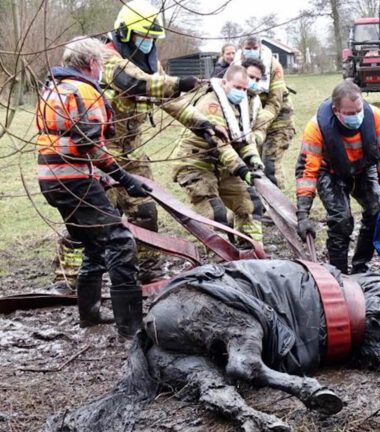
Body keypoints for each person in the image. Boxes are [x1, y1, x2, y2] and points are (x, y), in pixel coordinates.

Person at [101, 0, 229, 283]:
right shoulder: (106, 59)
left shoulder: (149, 63)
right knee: (95, 218)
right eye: (142, 37)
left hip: (132, 153)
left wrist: (201, 123)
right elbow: (136, 84)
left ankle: (148, 270)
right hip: (99, 153)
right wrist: (178, 82)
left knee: (145, 210)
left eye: (151, 39)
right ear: (124, 33)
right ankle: (71, 276)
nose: (147, 43)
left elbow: (171, 100)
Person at [36, 37, 151, 338]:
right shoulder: (85, 90)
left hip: (52, 178)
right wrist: (124, 178)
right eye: (100, 63)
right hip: (73, 180)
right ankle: (132, 327)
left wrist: (101, 176)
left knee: (93, 244)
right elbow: (89, 144)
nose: (101, 68)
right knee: (120, 241)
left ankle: (89, 315)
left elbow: (65, 141)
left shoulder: (55, 88)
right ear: (91, 64)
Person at [295, 80, 380, 274]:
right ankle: (338, 273)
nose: (356, 117)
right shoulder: (315, 129)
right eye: (350, 114)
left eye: (359, 110)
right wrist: (303, 215)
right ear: (336, 110)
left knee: (376, 212)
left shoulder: (376, 118)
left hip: (362, 166)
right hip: (330, 171)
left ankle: (360, 267)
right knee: (341, 220)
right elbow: (307, 172)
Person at [171, 65, 265, 246]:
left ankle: (252, 250)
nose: (241, 92)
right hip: (195, 164)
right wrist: (242, 169)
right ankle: (222, 262)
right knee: (216, 215)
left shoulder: (239, 107)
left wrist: (252, 157)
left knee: (250, 204)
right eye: (237, 88)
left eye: (244, 89)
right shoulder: (210, 104)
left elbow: (243, 139)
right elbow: (220, 143)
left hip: (222, 166)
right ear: (224, 83)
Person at [239, 36, 296, 189]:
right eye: (248, 48)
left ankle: (277, 206)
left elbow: (274, 102)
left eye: (254, 48)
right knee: (252, 163)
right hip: (251, 120)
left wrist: (260, 125)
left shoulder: (274, 66)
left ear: (260, 48)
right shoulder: (236, 65)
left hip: (278, 120)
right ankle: (256, 205)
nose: (251, 51)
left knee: (269, 163)